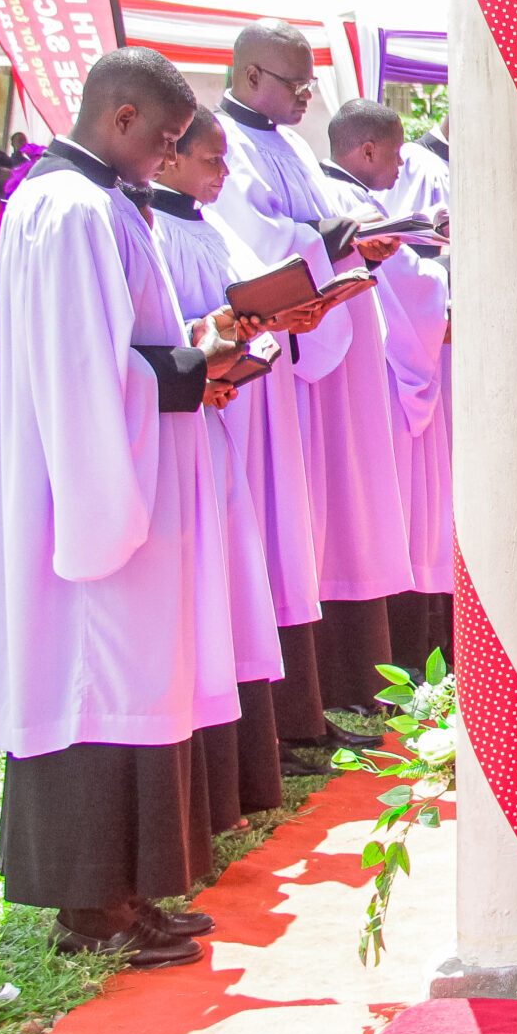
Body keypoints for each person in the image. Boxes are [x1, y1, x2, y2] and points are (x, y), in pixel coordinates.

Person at [0, 48, 256, 970]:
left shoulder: (94, 202)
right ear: (125, 117)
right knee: (93, 679)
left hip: (126, 462)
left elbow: (116, 344)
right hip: (93, 486)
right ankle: (93, 902)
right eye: (168, 140)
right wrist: (193, 365)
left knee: (125, 678)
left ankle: (122, 887)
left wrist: (194, 345)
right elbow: (83, 376)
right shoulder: (69, 209)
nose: (169, 159)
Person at [210, 20, 412, 729]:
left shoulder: (290, 142)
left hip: (310, 349)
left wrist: (360, 241)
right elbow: (255, 244)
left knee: (306, 518)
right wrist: (335, 242)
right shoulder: (222, 145)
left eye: (309, 83)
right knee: (272, 521)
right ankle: (280, 706)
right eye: (294, 84)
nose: (305, 97)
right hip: (263, 360)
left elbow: (319, 225)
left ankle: (318, 690)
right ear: (250, 75)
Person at [150, 108, 330, 778]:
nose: (225, 174)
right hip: (198, 413)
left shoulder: (212, 221)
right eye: (212, 161)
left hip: (241, 404)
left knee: (245, 567)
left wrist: (291, 313)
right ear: (168, 158)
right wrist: (215, 343)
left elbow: (252, 296)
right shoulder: (153, 228)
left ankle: (265, 738)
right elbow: (165, 328)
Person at [320, 101, 457, 678]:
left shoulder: (348, 199)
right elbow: (404, 287)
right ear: (368, 149)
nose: (404, 166)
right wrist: (442, 282)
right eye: (397, 153)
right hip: (373, 375)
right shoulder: (353, 205)